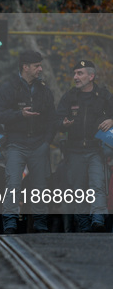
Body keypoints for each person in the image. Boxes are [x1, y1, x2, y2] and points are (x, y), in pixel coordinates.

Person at [0, 50, 56, 234]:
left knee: (40, 186)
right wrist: (19, 114)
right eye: (37, 66)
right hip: (16, 144)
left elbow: (52, 119)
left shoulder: (44, 90)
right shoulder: (8, 88)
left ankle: (41, 223)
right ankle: (10, 222)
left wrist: (46, 142)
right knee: (13, 182)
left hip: (39, 144)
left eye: (40, 65)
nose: (40, 69)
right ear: (25, 67)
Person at [56, 60, 113, 232]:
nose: (76, 77)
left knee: (98, 184)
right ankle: (83, 224)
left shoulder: (104, 96)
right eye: (75, 73)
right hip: (74, 150)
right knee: (78, 189)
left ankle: (98, 219)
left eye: (80, 73)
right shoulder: (69, 97)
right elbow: (57, 120)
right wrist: (63, 124)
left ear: (91, 76)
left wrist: (112, 119)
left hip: (97, 150)